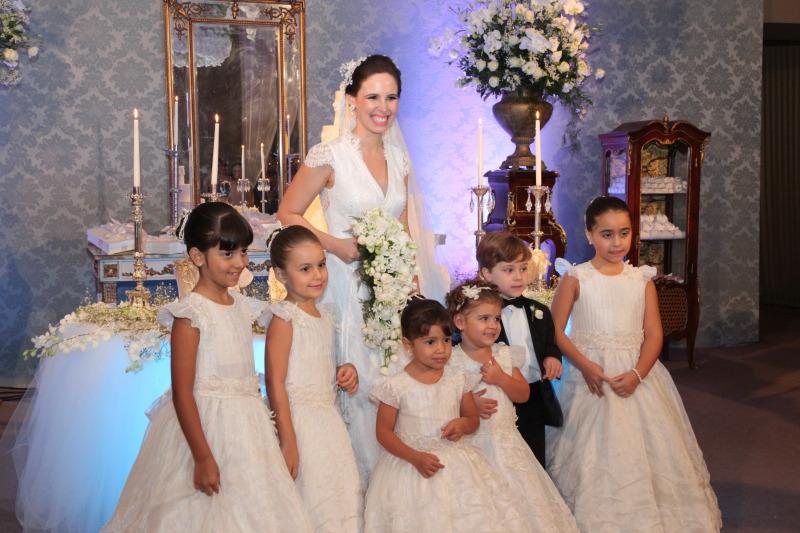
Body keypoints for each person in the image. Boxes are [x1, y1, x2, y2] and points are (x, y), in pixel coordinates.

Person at [277, 54, 448, 480]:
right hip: (342, 286)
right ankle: (353, 483)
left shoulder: (400, 158)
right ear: (352, 99)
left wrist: (409, 288)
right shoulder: (330, 155)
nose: (382, 107)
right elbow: (288, 213)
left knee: (391, 383)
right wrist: (335, 245)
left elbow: (404, 229)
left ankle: (395, 485)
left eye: (391, 97)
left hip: (390, 293)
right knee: (354, 381)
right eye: (373, 96)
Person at [102, 203, 312, 533]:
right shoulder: (190, 315)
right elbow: (182, 393)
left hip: (249, 429)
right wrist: (202, 457)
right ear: (198, 256)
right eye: (227, 254)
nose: (240, 262)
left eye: (243, 252)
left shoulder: (242, 307)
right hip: (206, 430)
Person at [547, 196, 722, 532]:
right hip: (588, 375)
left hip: (636, 372)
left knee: (646, 449)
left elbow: (654, 335)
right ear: (589, 234)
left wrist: (638, 373)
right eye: (607, 234)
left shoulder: (641, 280)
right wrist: (585, 366)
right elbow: (555, 331)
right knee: (590, 451)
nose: (617, 242)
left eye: (624, 233)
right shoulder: (576, 277)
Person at [363, 298, 531, 533]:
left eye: (446, 340)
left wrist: (463, 424)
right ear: (408, 345)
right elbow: (383, 433)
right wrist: (415, 457)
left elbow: (473, 420)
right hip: (411, 467)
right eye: (430, 342)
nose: (441, 349)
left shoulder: (457, 379)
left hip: (456, 467)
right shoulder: (395, 386)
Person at [446, 279, 579, 532]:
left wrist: (501, 379)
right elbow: (443, 399)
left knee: (520, 500)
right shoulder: (451, 360)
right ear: (460, 322)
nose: (493, 325)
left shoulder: (504, 354)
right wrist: (469, 403)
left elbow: (523, 394)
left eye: (496, 319)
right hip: (471, 446)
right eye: (484, 318)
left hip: (507, 443)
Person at [260, 225, 362, 532]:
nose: (317, 275)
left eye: (321, 265)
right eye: (305, 269)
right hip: (298, 422)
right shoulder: (284, 318)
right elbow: (275, 382)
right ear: (281, 274)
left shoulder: (326, 316)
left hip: (328, 421)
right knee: (309, 496)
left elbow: (318, 363)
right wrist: (288, 440)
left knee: (337, 493)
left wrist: (344, 371)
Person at [477, 231, 562, 466]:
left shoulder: (539, 311)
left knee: (534, 458)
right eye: (509, 270)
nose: (518, 277)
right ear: (487, 273)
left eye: (523, 268)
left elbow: (550, 343)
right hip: (499, 395)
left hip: (534, 394)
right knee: (502, 458)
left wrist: (552, 357)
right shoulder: (480, 315)